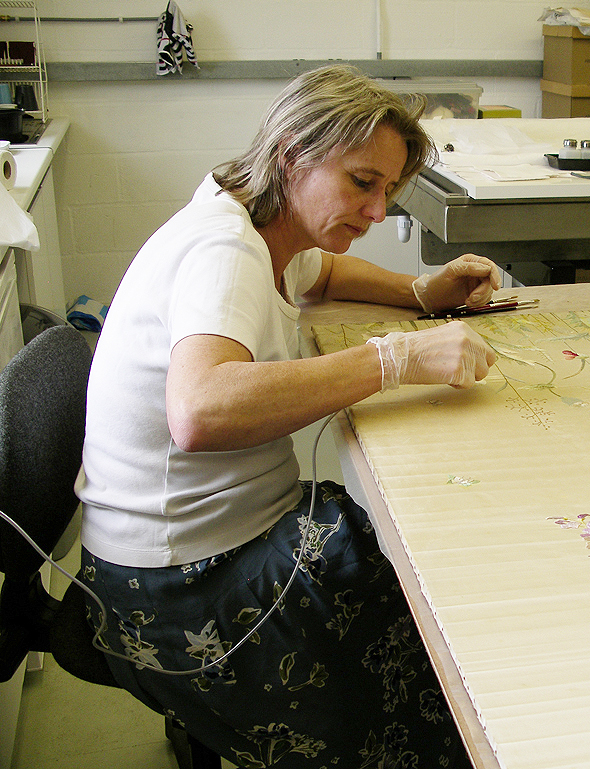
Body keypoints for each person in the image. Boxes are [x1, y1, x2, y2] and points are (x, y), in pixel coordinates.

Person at [75, 64, 499, 768]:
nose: (376, 212)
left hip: (197, 547)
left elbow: (320, 273)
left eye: (387, 191)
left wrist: (421, 291)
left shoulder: (258, 222)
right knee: (431, 659)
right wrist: (393, 359)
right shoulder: (223, 250)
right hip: (180, 590)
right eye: (362, 182)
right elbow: (200, 409)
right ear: (292, 153)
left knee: (407, 555)